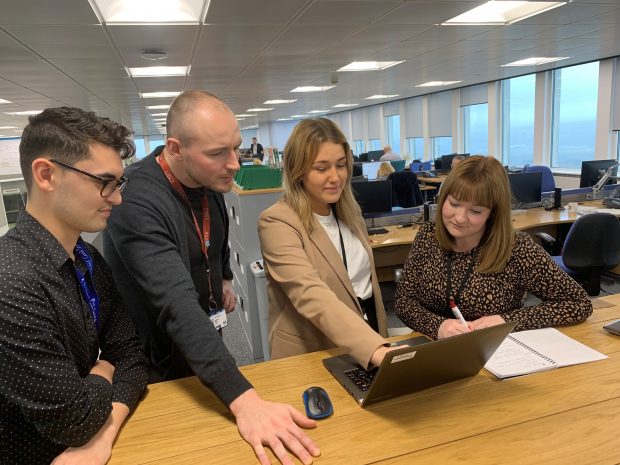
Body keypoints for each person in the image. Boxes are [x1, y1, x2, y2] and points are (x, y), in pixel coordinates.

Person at [103, 90, 320, 465]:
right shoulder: (135, 202)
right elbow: (176, 305)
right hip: (156, 359)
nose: (234, 163)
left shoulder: (208, 179)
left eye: (235, 147)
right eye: (218, 153)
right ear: (175, 148)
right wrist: (244, 399)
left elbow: (213, 237)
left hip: (204, 342)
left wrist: (223, 277)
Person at [0, 107, 148, 465]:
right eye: (104, 182)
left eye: (118, 183)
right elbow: (75, 420)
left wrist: (103, 433)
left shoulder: (88, 260)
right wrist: (104, 367)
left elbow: (132, 356)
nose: (117, 198)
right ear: (46, 175)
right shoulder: (11, 280)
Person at [394, 155, 592, 340]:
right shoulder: (429, 235)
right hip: (432, 345)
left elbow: (579, 304)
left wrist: (506, 321)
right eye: (454, 204)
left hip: (497, 350)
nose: (460, 218)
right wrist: (437, 326)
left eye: (475, 210)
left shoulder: (517, 248)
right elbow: (403, 301)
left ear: (493, 213)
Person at [258, 117, 398, 369]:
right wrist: (374, 348)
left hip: (367, 338)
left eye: (341, 165)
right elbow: (311, 294)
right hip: (313, 352)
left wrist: (379, 338)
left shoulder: (349, 213)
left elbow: (363, 285)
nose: (335, 177)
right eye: (321, 168)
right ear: (298, 170)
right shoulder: (277, 222)